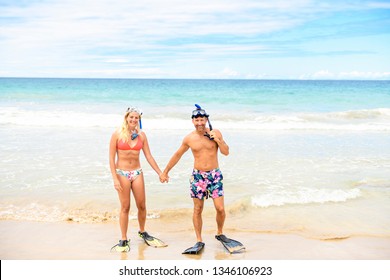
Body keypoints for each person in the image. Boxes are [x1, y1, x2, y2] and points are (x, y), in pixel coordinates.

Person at [160, 105, 235, 254]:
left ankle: (220, 233)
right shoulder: (189, 138)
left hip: (214, 175)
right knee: (197, 209)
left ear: (206, 120)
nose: (200, 123)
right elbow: (177, 155)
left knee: (220, 208)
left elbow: (226, 152)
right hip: (198, 177)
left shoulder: (216, 132)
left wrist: (218, 140)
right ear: (193, 122)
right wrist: (165, 171)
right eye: (197, 120)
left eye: (202, 119)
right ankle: (199, 240)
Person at [109, 106, 165, 252]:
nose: (134, 120)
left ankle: (142, 231)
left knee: (142, 205)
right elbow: (110, 158)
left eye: (136, 118)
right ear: (126, 118)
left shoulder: (142, 136)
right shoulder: (117, 134)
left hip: (137, 172)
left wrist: (160, 172)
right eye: (131, 117)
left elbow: (148, 156)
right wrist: (115, 178)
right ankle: (123, 238)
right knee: (125, 207)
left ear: (139, 120)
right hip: (122, 173)